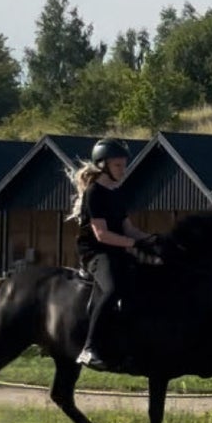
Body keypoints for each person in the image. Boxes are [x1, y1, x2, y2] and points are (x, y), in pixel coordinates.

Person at [70, 137, 154, 371]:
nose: (123, 169)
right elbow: (102, 235)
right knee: (113, 289)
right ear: (103, 165)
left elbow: (129, 228)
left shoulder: (116, 193)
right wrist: (132, 244)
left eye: (124, 164)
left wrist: (152, 240)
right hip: (96, 253)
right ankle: (89, 348)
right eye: (118, 165)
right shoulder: (95, 193)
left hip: (118, 250)